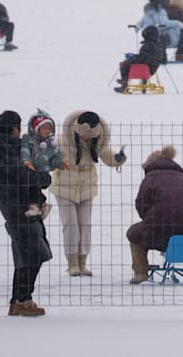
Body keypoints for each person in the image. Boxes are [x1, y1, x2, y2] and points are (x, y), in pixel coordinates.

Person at [0, 111, 53, 316]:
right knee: (33, 255)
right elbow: (23, 175)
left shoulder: (10, 149)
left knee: (27, 256)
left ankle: (20, 299)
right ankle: (22, 299)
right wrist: (42, 177)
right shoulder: (6, 151)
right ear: (15, 128)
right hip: (19, 210)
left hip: (22, 207)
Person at [48, 110, 126, 277]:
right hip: (64, 187)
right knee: (71, 225)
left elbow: (107, 155)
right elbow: (49, 158)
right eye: (83, 136)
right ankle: (72, 263)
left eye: (89, 137)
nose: (85, 140)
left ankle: (83, 262)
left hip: (87, 187)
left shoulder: (98, 142)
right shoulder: (62, 141)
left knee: (85, 225)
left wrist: (117, 159)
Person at [128, 145, 183, 284]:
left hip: (160, 230)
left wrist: (149, 218)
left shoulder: (150, 178)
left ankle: (140, 273)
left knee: (134, 234)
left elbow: (141, 205)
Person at [20, 112, 65, 218]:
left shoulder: (51, 142)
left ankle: (36, 206)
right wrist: (26, 161)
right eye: (44, 128)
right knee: (32, 188)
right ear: (36, 129)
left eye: (49, 128)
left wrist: (59, 163)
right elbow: (24, 151)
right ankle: (41, 205)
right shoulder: (28, 139)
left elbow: (56, 155)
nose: (47, 131)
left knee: (35, 188)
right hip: (30, 168)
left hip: (42, 170)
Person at [115, 26, 166, 93]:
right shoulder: (158, 45)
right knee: (132, 62)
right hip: (152, 68)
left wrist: (132, 57)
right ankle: (127, 82)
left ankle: (124, 84)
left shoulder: (147, 46)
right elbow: (146, 58)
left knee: (124, 64)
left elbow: (142, 59)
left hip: (144, 68)